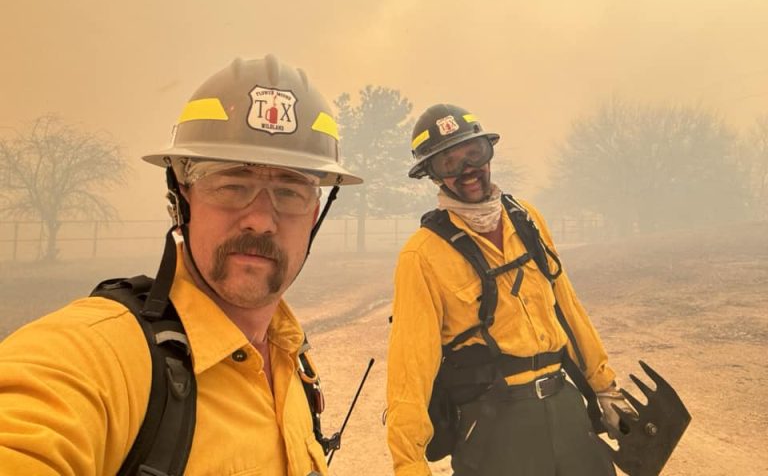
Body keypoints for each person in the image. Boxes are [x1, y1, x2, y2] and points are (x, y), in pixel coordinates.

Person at [0, 55, 362, 475]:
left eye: (289, 192)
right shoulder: (100, 357)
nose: (261, 219)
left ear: (314, 214)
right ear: (182, 196)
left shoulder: (292, 359)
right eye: (232, 184)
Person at [386, 104, 636, 476]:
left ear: (488, 153)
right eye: (449, 163)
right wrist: (409, 464)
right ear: (433, 175)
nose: (467, 169)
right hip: (493, 427)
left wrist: (604, 387)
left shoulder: (527, 219)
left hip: (565, 407)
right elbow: (410, 367)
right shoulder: (421, 255)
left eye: (474, 153)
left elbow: (566, 308)